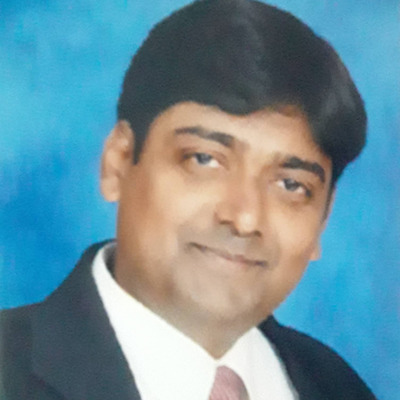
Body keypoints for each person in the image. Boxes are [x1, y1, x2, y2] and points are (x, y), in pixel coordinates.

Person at [0, 0, 377, 399]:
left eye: (290, 184)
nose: (245, 218)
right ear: (118, 162)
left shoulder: (339, 387)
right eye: (204, 159)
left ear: (323, 219)